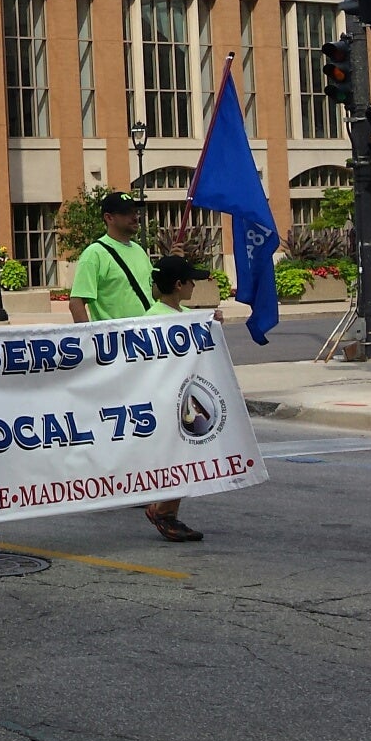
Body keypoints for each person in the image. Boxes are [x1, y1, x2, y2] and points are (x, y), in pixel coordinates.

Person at [143, 255, 212, 542]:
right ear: (178, 285)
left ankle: (164, 508)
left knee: (184, 454)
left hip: (182, 399)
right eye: (190, 280)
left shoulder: (183, 316)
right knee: (177, 455)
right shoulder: (153, 321)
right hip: (163, 401)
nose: (194, 285)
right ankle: (164, 512)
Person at [68, 192, 154, 325]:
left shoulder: (139, 250)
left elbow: (153, 292)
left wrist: (173, 265)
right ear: (109, 218)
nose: (135, 217)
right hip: (115, 336)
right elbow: (76, 302)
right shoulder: (94, 254)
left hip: (147, 333)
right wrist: (89, 335)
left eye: (135, 212)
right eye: (126, 213)